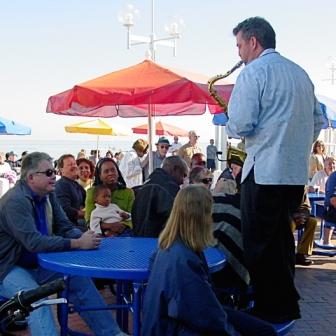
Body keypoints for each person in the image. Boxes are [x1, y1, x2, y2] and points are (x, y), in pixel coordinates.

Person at [226, 17, 324, 323]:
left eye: (240, 45)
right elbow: (318, 121)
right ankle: (285, 303)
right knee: (282, 240)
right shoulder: (301, 74)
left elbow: (241, 123)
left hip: (264, 170)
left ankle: (271, 308)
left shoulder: (253, 73)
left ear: (254, 42)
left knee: (259, 243)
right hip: (294, 175)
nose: (239, 53)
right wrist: (295, 147)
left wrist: (230, 122)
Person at [0, 152, 127, 336]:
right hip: (7, 267)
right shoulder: (15, 201)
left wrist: (88, 237)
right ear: (31, 177)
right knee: (37, 300)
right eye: (49, 172)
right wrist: (78, 243)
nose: (54, 176)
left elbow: (64, 226)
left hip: (36, 263)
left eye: (54, 171)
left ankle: (112, 333)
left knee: (78, 278)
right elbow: (34, 243)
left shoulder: (47, 194)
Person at [142, 185, 277, 336]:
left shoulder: (170, 246)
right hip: (176, 328)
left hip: (169, 323)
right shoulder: (184, 261)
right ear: (202, 217)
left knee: (263, 330)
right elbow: (204, 316)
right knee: (265, 332)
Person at [132, 156, 188, 237]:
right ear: (175, 169)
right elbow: (179, 219)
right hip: (158, 242)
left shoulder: (148, 182)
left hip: (140, 241)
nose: (183, 181)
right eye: (183, 175)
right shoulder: (169, 187)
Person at [85, 157, 134, 237]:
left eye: (113, 170)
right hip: (99, 232)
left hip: (124, 231)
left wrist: (120, 227)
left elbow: (132, 217)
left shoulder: (128, 192)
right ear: (100, 176)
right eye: (106, 171)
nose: (110, 173)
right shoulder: (92, 192)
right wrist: (109, 226)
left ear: (118, 173)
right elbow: (89, 220)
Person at [55, 154, 86, 230]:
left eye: (75, 164)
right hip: (66, 228)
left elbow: (87, 200)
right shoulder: (61, 185)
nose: (74, 166)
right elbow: (65, 210)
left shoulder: (75, 184)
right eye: (70, 164)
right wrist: (87, 214)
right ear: (61, 169)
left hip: (76, 223)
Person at [290, 190, 317, 266]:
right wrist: (293, 216)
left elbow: (306, 206)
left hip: (299, 214)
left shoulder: (302, 187)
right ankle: (286, 253)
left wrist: (303, 215)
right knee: (290, 224)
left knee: (312, 222)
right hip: (286, 216)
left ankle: (301, 254)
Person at [321, 170, 336, 246]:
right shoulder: (334, 176)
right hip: (331, 210)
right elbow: (333, 200)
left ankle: (326, 242)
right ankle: (326, 242)